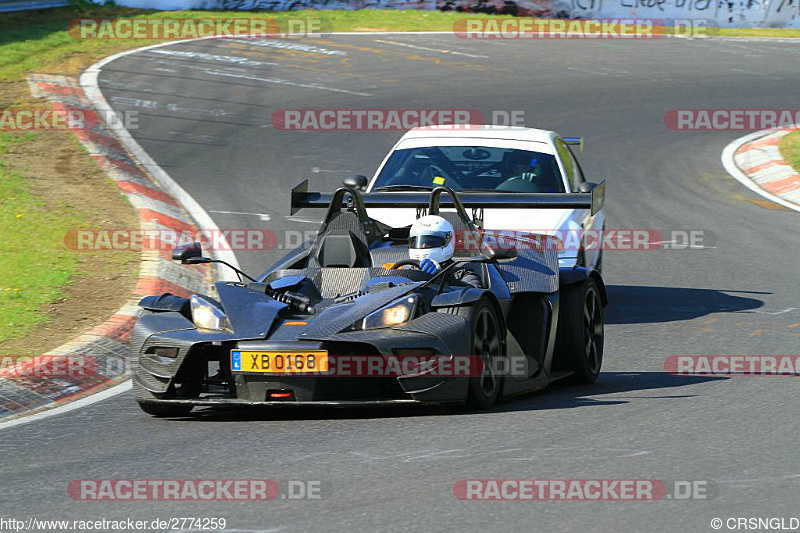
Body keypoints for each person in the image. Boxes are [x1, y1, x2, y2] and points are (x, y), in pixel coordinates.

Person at [408, 215, 482, 289]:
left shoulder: (463, 274)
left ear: (449, 240)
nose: (423, 246)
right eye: (418, 242)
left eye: (430, 242)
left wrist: (441, 277)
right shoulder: (407, 272)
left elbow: (475, 293)